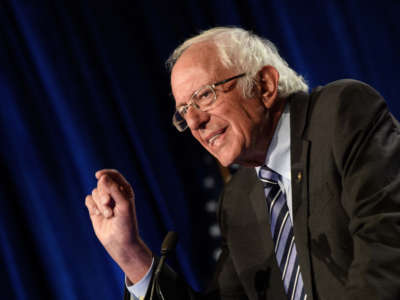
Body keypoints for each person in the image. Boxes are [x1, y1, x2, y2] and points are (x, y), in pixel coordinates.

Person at [85, 27, 400, 300]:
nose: (194, 122)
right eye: (183, 111)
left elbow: (387, 243)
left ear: (264, 85)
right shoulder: (238, 200)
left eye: (205, 96)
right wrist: (129, 253)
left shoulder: (340, 115)